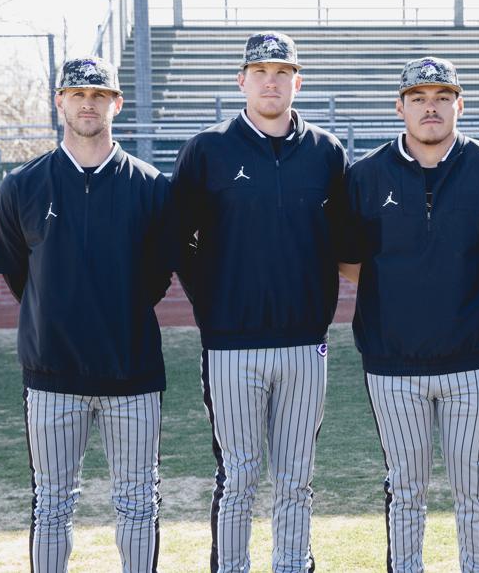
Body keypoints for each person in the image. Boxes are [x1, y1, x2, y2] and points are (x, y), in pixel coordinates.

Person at [339, 57, 479, 572]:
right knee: (405, 487)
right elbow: (351, 262)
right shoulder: (365, 174)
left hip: (473, 361)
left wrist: (463, 290)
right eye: (419, 99)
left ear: (459, 105)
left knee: (473, 485)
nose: (431, 108)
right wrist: (404, 289)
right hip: (391, 363)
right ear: (399, 107)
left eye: (442, 97)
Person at [170, 31, 349, 572]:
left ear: (298, 81)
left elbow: (342, 240)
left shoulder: (326, 152)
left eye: (282, 73)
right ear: (241, 81)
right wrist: (214, 304)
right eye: (260, 72)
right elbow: (179, 240)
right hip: (231, 346)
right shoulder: (208, 149)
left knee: (296, 477)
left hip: (305, 345)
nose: (271, 82)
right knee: (239, 475)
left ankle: (293, 564)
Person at [0, 56, 175, 573]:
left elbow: (157, 277)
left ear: (117, 103)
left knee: (138, 501)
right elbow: (19, 275)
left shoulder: (151, 186)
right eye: (77, 94)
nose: (87, 104)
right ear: (60, 102)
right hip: (52, 375)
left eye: (99, 95)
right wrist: (57, 311)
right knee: (51, 505)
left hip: (132, 373)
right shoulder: (22, 186)